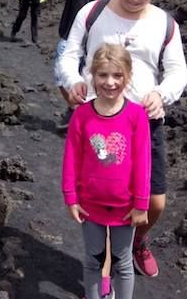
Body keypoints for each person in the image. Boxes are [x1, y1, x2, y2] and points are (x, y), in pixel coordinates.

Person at [58, 0, 187, 278]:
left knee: (153, 203)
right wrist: (73, 80)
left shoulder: (164, 23)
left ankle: (137, 241)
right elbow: (69, 54)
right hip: (96, 121)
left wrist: (161, 94)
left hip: (143, 124)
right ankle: (104, 269)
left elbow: (177, 72)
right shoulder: (93, 12)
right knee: (100, 199)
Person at [62, 43, 151, 299]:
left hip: (126, 206)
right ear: (92, 76)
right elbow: (71, 159)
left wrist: (141, 203)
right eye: (103, 75)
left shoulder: (136, 116)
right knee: (93, 261)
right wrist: (71, 198)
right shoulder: (81, 116)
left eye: (117, 75)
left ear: (128, 77)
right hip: (90, 205)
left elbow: (143, 163)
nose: (110, 82)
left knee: (123, 263)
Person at [55, 0, 118, 130]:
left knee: (94, 78)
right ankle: (74, 108)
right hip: (73, 35)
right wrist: (64, 30)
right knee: (61, 74)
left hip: (98, 38)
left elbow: (115, 8)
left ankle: (96, 118)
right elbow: (69, 5)